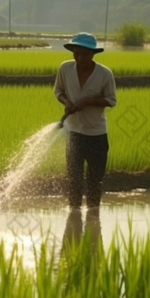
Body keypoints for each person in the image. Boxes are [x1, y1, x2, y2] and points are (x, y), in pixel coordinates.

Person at [54, 33, 116, 209]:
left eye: (85, 54)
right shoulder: (65, 69)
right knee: (73, 179)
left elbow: (111, 100)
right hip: (74, 133)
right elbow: (58, 92)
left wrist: (87, 102)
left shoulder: (104, 74)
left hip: (97, 134)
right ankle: (74, 214)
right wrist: (67, 103)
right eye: (77, 53)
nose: (80, 57)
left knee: (95, 180)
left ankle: (93, 217)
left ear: (93, 54)